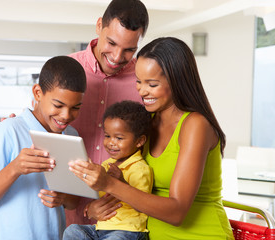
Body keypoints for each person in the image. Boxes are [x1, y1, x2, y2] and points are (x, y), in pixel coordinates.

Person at [68, 37, 235, 239]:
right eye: (138, 81)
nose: (142, 91)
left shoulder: (195, 125)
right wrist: (95, 207)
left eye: (152, 84)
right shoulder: (145, 123)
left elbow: (177, 212)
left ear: (177, 82)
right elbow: (132, 187)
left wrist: (109, 185)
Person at [0, 56, 87, 240]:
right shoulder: (8, 130)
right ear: (38, 93)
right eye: (58, 105)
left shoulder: (72, 136)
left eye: (76, 107)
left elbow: (73, 202)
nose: (66, 115)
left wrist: (63, 197)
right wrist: (15, 168)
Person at [67, 0, 149, 226]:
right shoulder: (67, 68)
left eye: (129, 49)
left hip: (119, 217)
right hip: (66, 212)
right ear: (99, 25)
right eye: (111, 42)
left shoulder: (143, 82)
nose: (117, 56)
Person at [63, 100, 153, 240]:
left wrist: (121, 182)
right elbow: (97, 193)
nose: (111, 143)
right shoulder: (106, 164)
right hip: (101, 229)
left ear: (139, 141)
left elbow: (143, 206)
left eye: (119, 138)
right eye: (107, 136)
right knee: (72, 231)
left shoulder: (140, 169)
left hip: (127, 231)